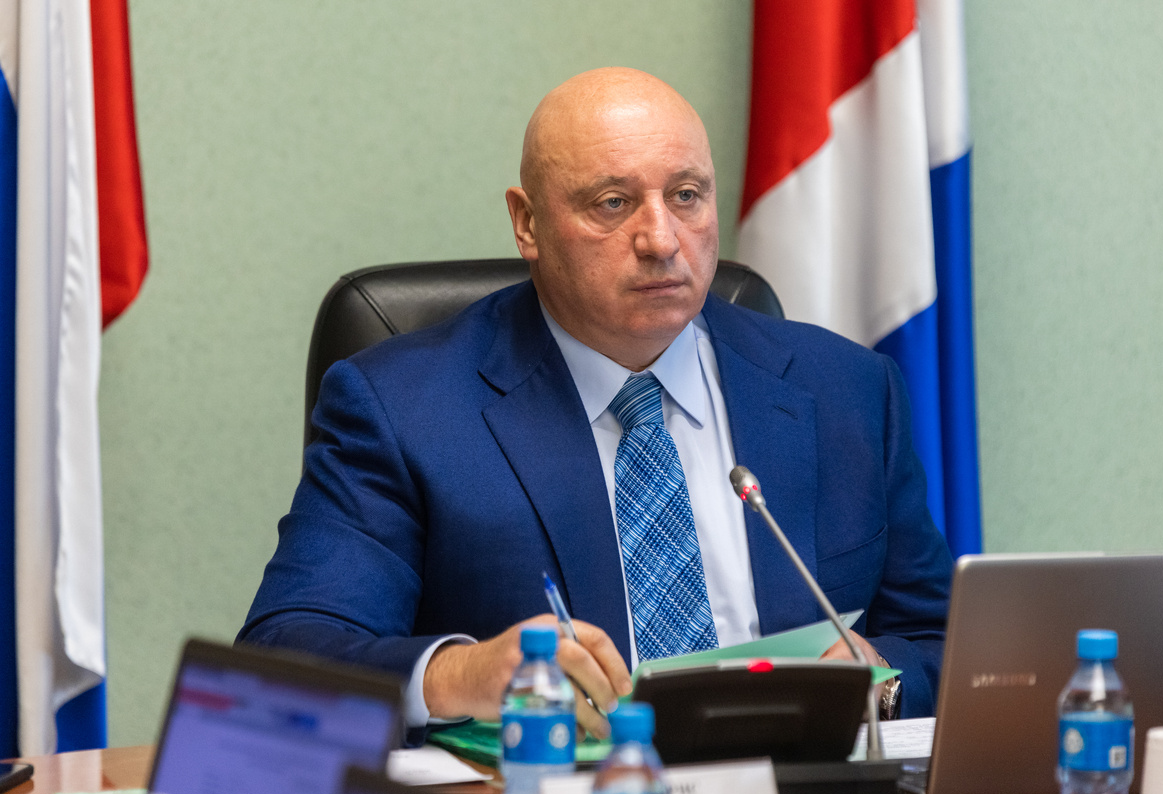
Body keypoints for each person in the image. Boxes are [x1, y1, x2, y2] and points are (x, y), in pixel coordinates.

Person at [239, 67, 954, 744]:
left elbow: (943, 639)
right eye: (612, 203)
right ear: (527, 223)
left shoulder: (846, 389)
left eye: (686, 195)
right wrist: (460, 674)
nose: (661, 240)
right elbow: (283, 657)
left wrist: (884, 680)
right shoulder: (403, 409)